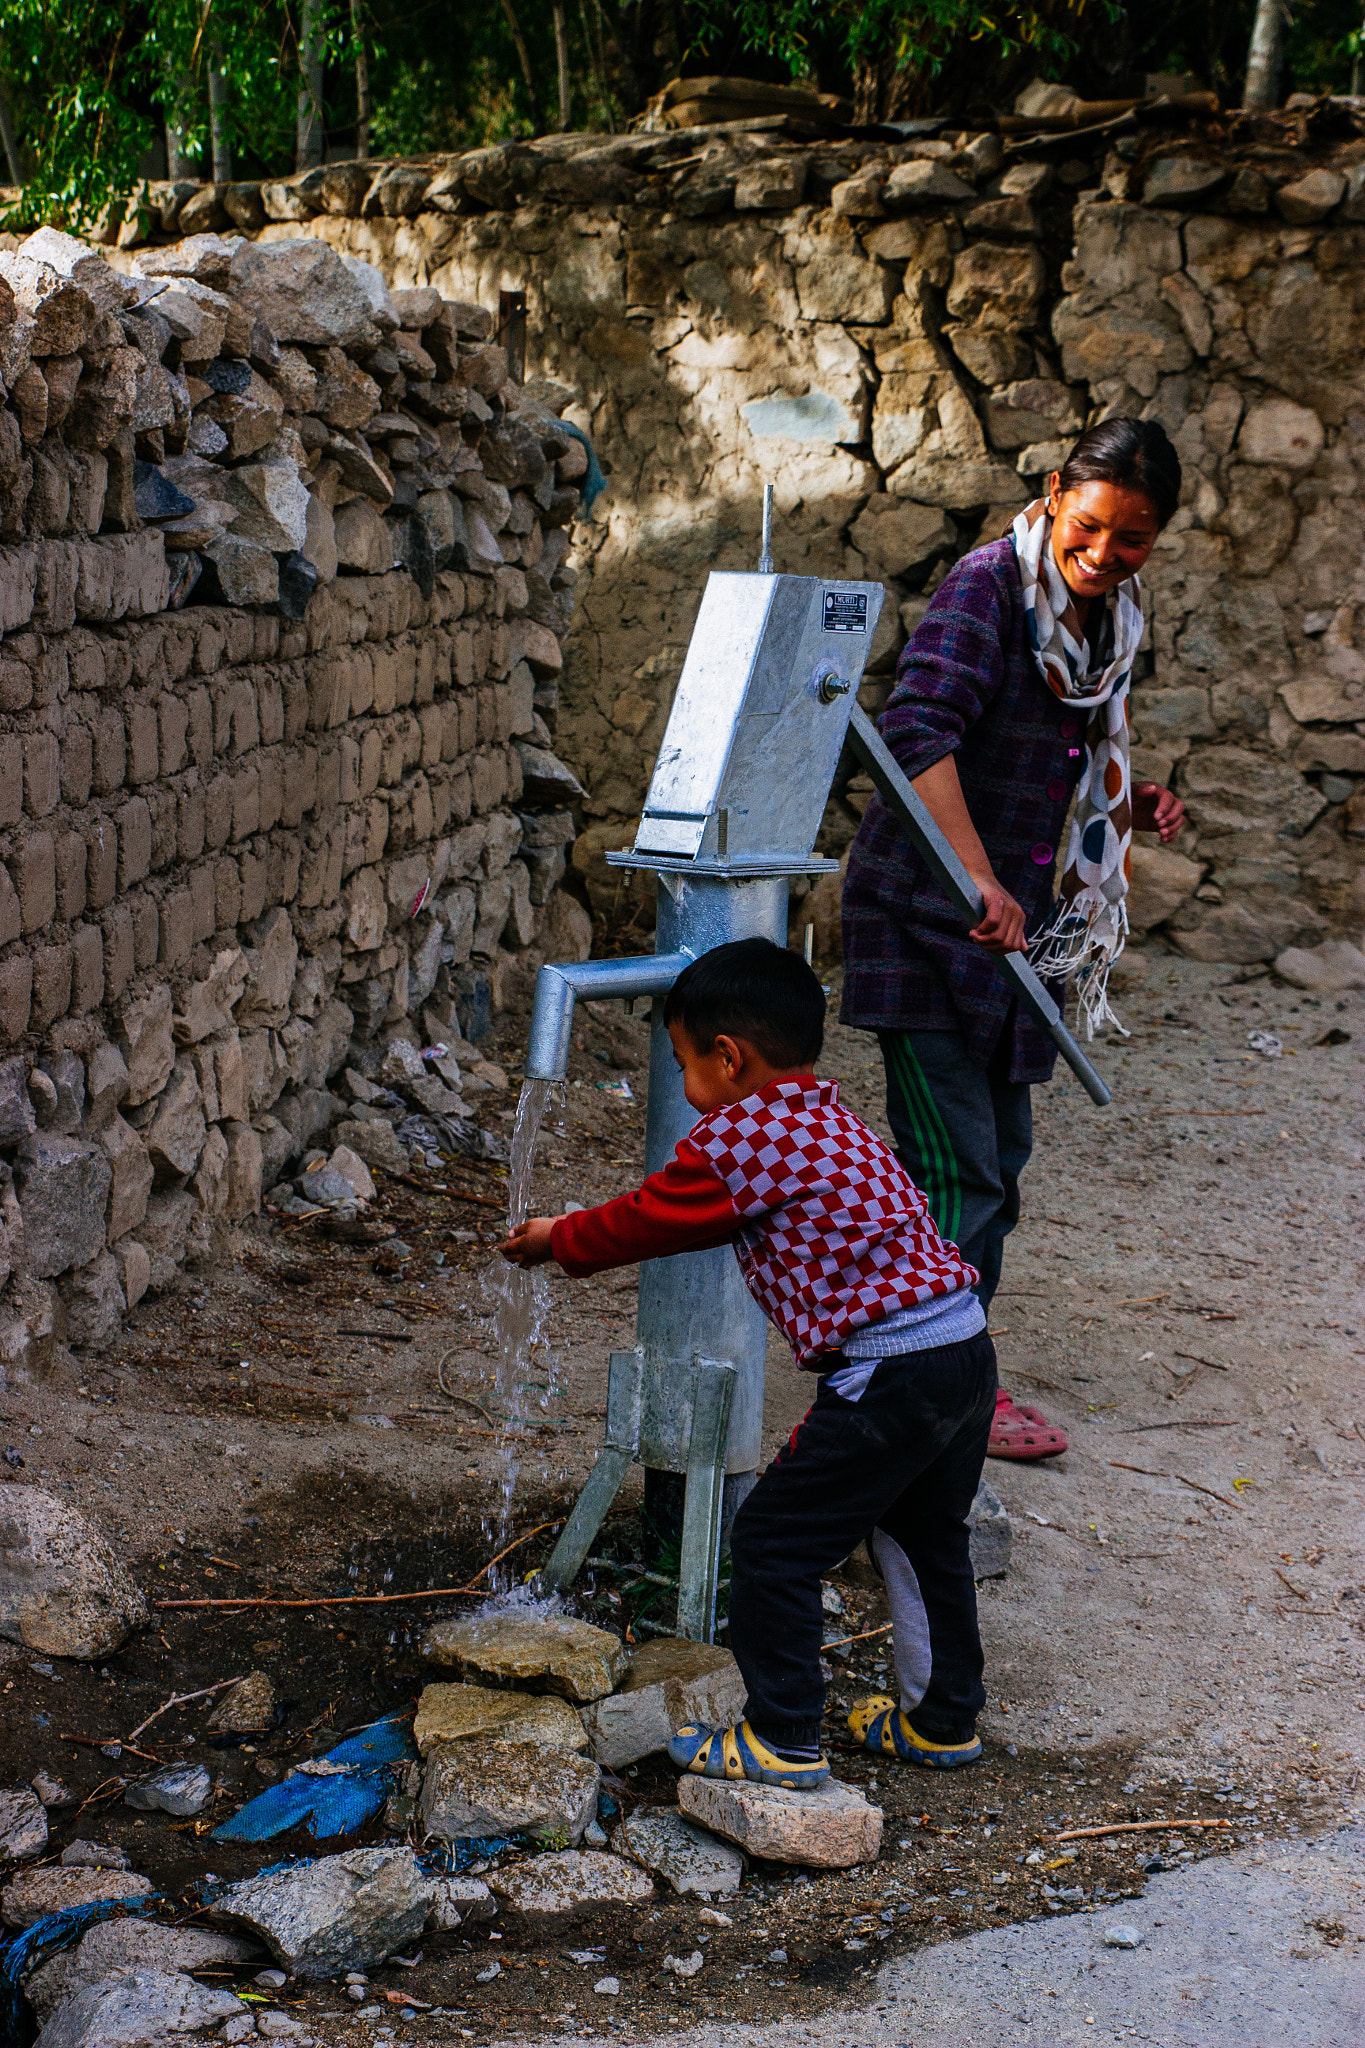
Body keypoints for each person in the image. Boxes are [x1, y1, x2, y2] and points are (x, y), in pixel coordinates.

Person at [500, 938, 998, 1788]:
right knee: (923, 1537)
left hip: (887, 1372)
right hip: (959, 1348)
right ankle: (942, 1720)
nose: (686, 1090)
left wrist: (560, 1239)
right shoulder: (824, 1116)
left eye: (684, 1064)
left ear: (727, 1058)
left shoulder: (744, 1138)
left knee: (773, 1540)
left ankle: (781, 1738)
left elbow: (648, 1221)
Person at [841, 418, 1187, 1461]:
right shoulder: (988, 589)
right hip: (928, 917)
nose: (1104, 554)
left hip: (1009, 938)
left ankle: (918, 1354)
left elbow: (1064, 762)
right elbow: (918, 732)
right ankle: (946, 1388)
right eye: (1090, 527)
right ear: (1051, 494)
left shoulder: (1107, 619)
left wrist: (1134, 805)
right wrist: (975, 872)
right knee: (962, 1171)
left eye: (1131, 539)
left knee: (1005, 1157)